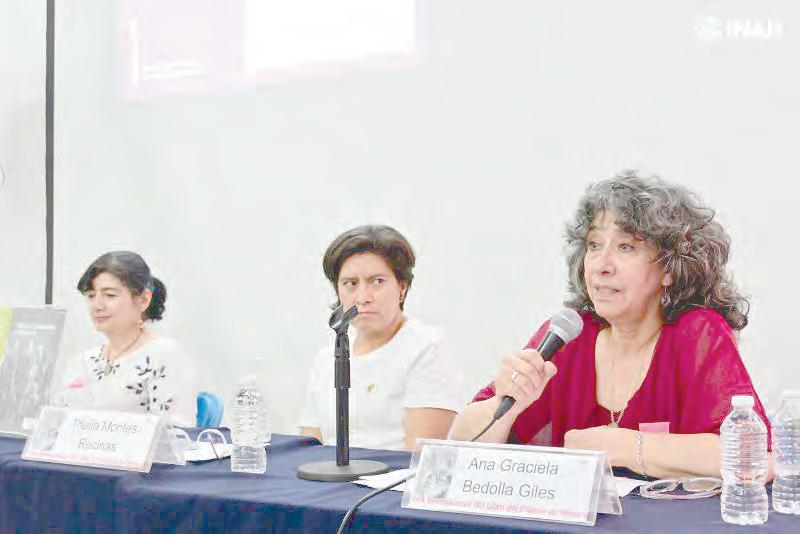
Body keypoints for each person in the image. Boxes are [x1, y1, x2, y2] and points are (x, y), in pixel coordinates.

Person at [449, 171, 769, 479]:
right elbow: (460, 446)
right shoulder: (568, 336)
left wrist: (621, 447)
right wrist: (505, 404)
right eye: (593, 245)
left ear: (670, 269)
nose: (601, 265)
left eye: (625, 247)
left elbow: (755, 456)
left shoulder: (697, 333)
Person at [299, 225, 463, 451]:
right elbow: (308, 448)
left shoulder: (426, 349)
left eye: (377, 282)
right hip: (329, 472)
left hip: (392, 474)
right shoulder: (327, 357)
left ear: (402, 287)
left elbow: (418, 457)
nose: (363, 298)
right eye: (351, 284)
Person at [56, 251, 198, 427]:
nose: (97, 306)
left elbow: (176, 433)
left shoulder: (165, 357)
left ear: (143, 300)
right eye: (91, 296)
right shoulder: (81, 362)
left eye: (110, 295)